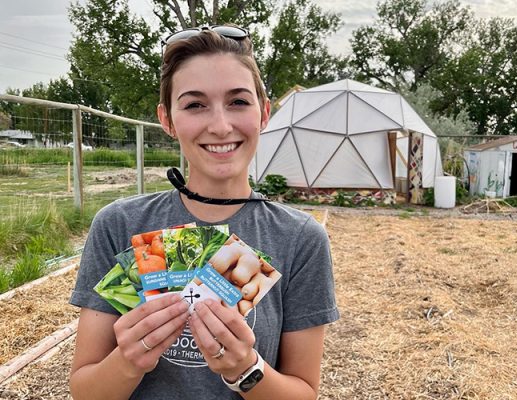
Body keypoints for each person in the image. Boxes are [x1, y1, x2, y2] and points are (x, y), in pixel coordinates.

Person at [69, 24, 339, 400]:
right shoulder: (119, 224)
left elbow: (304, 392)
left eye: (238, 102)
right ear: (167, 120)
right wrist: (129, 361)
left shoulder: (300, 239)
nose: (220, 125)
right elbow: (85, 392)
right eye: (195, 104)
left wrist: (246, 369)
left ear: (263, 114)